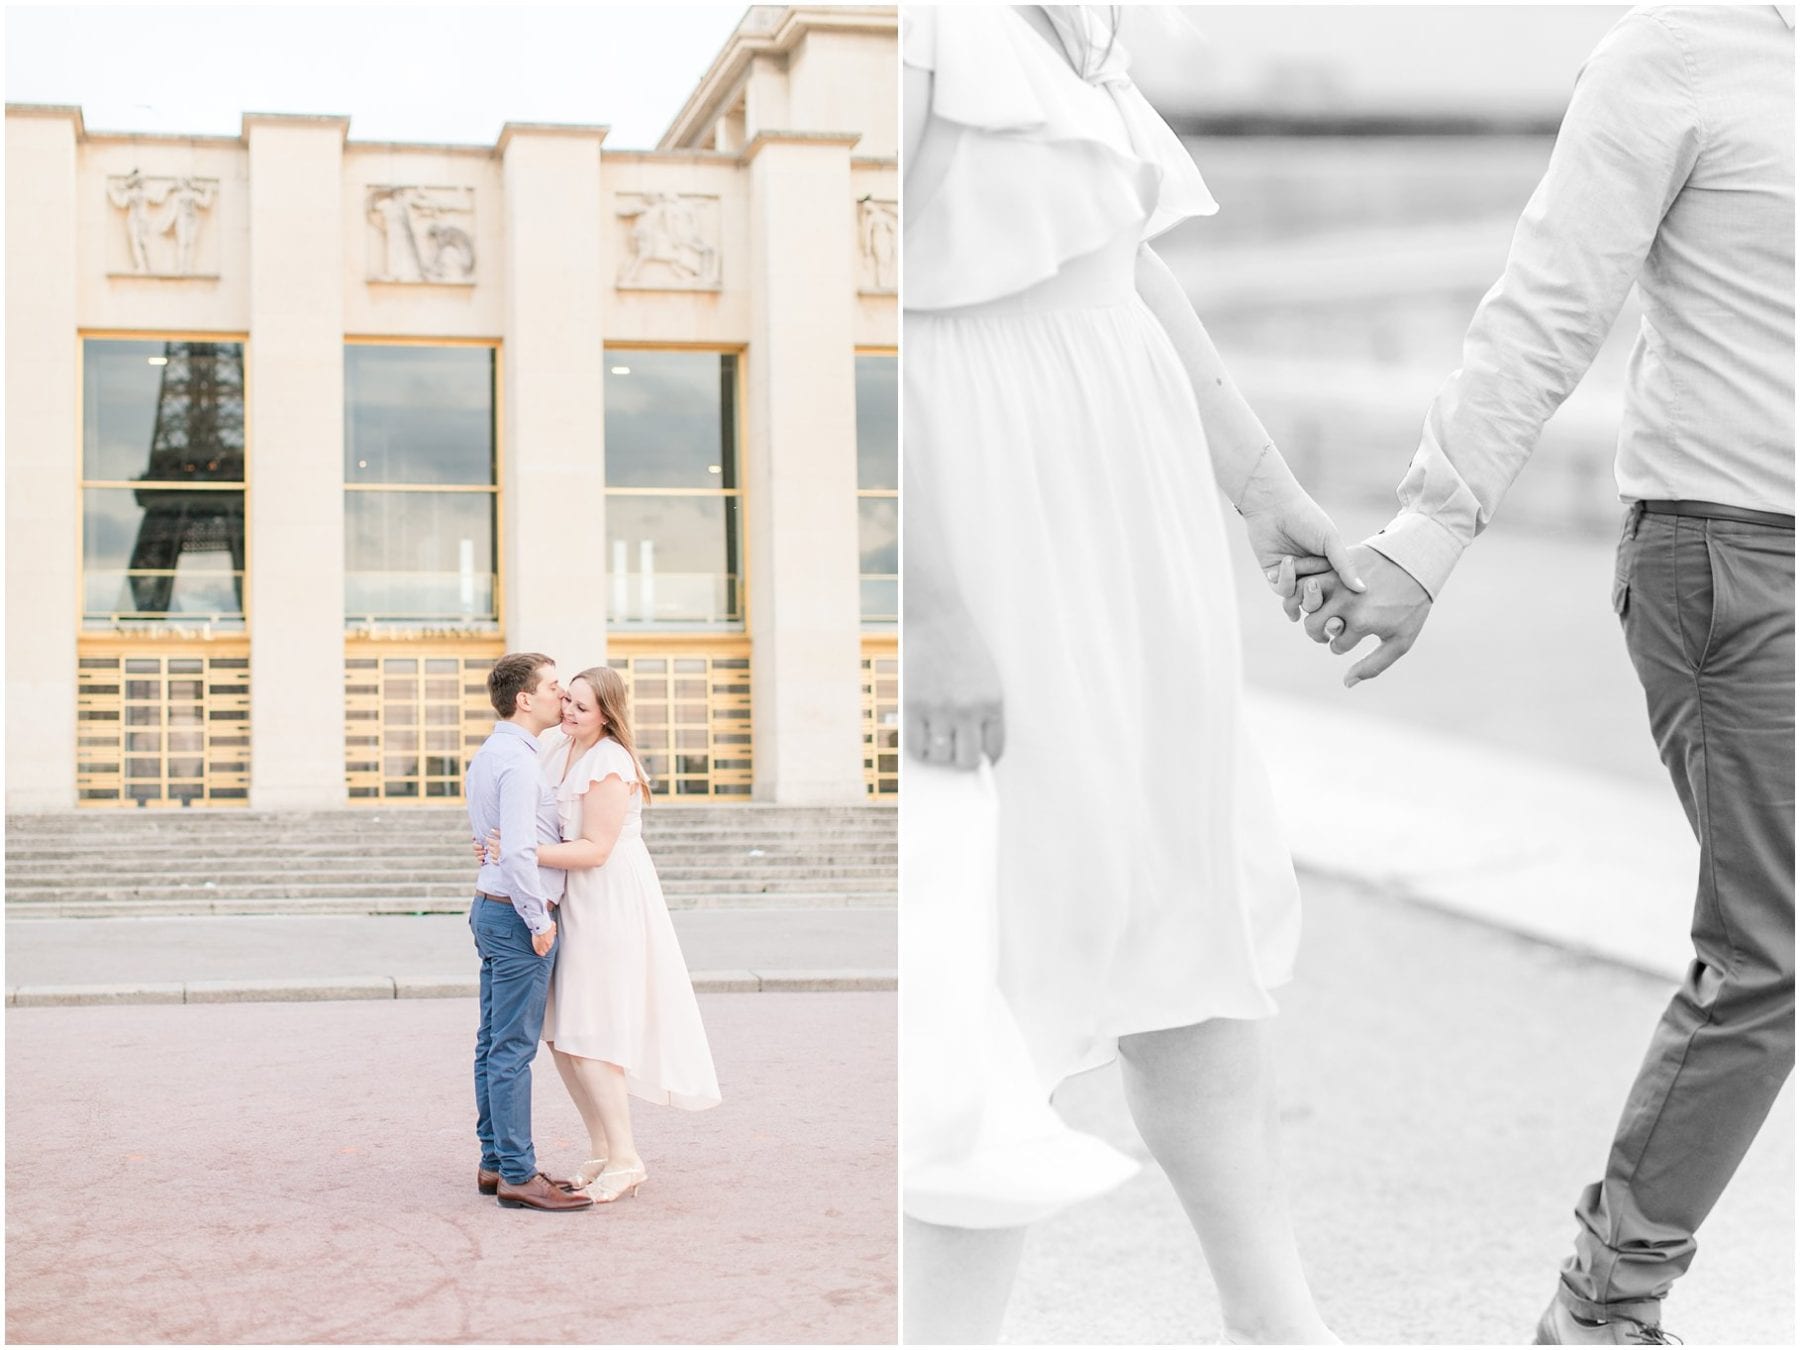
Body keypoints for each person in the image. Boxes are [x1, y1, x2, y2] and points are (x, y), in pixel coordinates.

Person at [1283, 7, 1794, 1343]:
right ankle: (1607, 1298)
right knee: (1773, 947)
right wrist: (1428, 535)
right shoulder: (1675, 55)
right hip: (1734, 558)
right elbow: (1548, 303)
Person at [901, 7, 1357, 1343]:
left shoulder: (1071, 21)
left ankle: (1277, 1321)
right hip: (977, 507)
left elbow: (1126, 264)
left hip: (1122, 508)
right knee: (993, 949)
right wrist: (925, 609)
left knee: (1185, 899)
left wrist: (1262, 488)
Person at [482, 666, 721, 1204]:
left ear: (607, 714)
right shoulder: (553, 751)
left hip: (608, 899)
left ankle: (626, 1157)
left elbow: (595, 849)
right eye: (566, 700)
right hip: (569, 899)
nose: (568, 712)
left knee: (592, 1033)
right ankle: (599, 1150)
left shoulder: (611, 762)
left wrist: (518, 853)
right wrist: (499, 846)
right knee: (562, 1034)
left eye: (581, 708)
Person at [465, 652, 592, 1213]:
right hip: (519, 913)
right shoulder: (518, 763)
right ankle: (517, 1172)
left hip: (491, 906)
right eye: (553, 687)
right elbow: (517, 851)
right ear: (525, 699)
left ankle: (496, 1161)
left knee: (493, 1042)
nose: (561, 696)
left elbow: (489, 836)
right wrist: (540, 923)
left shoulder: (493, 752)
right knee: (512, 1048)